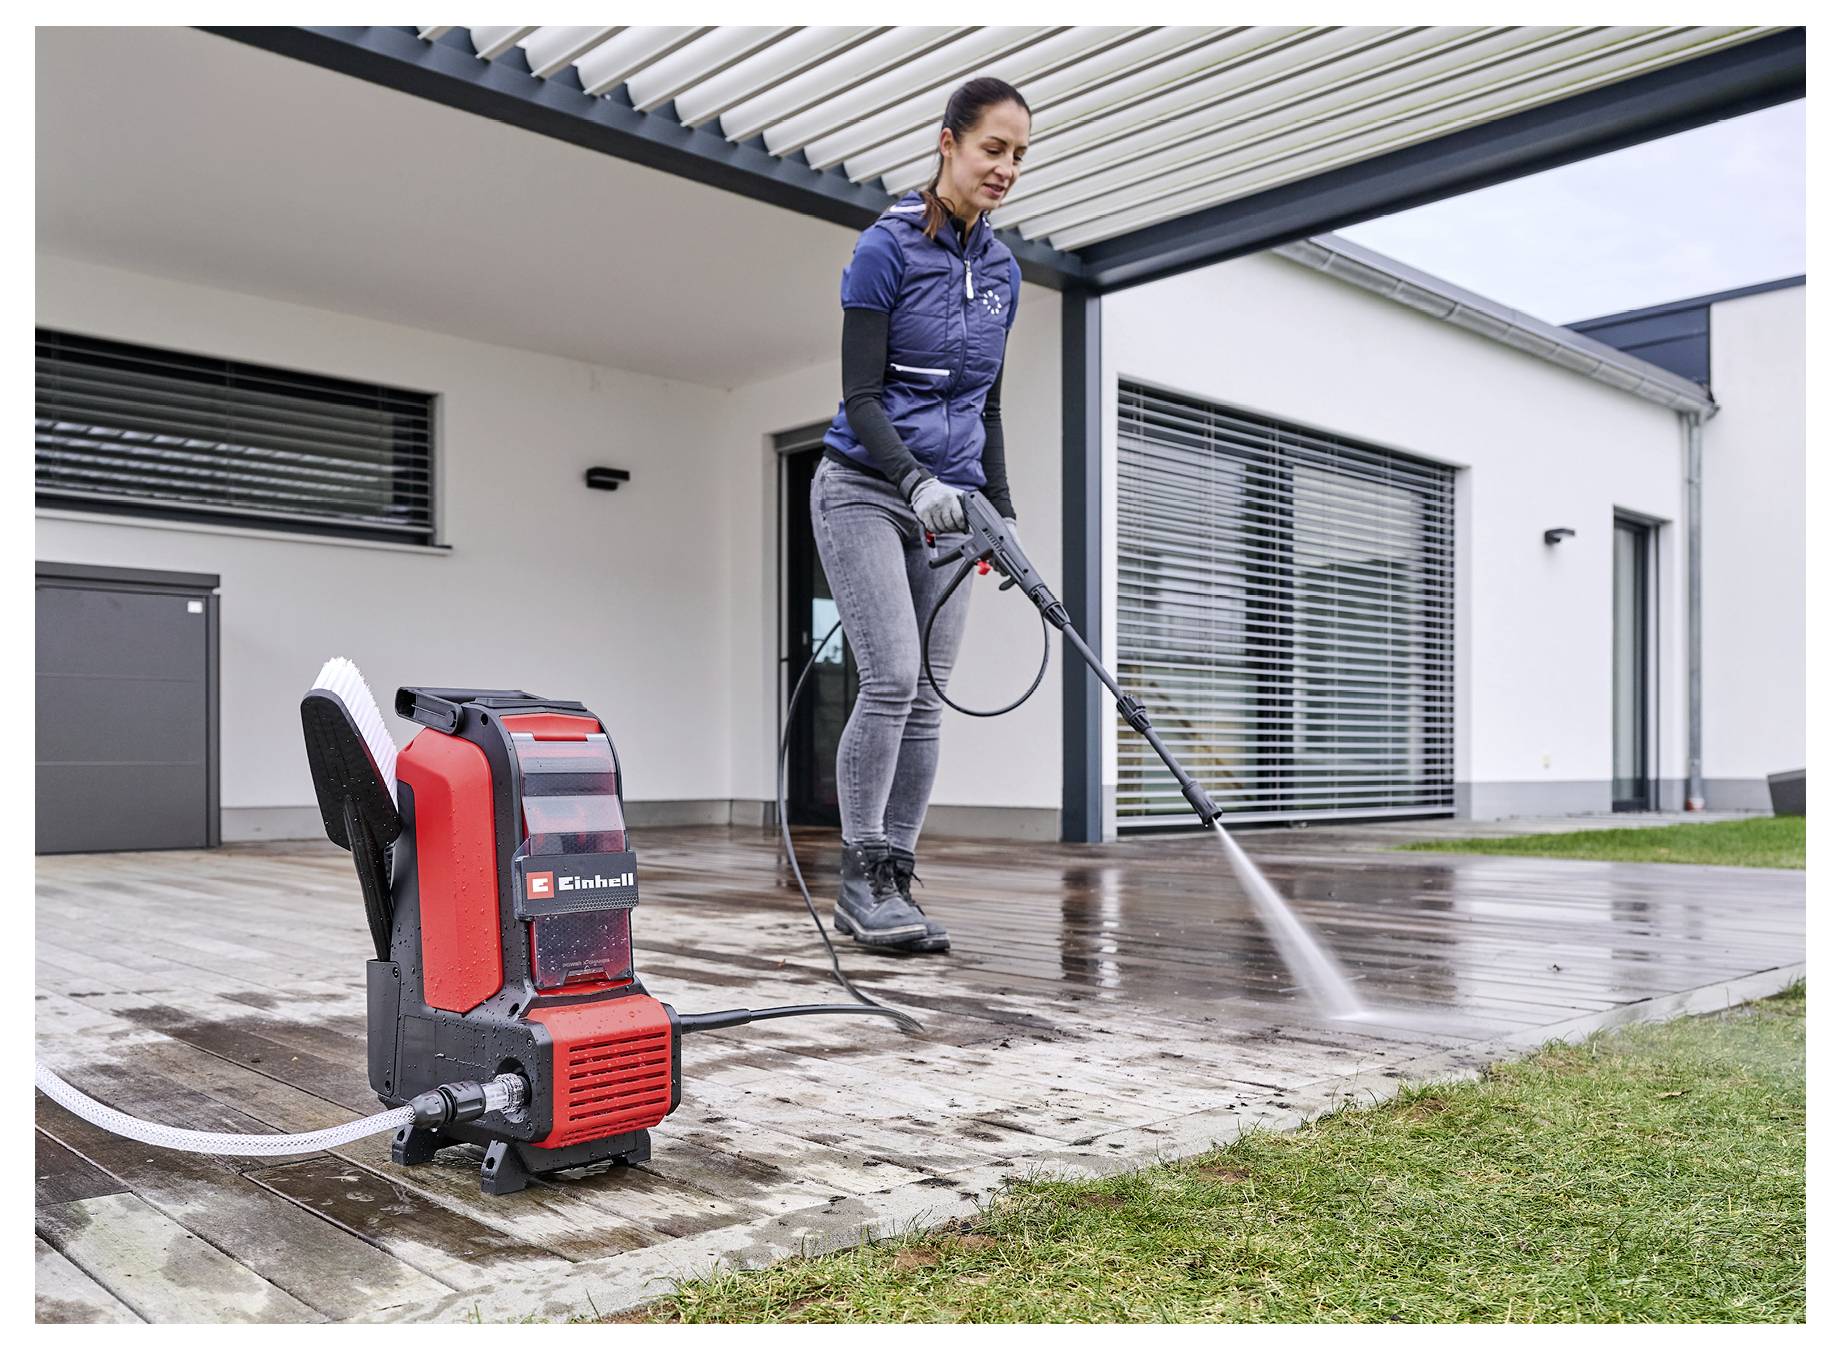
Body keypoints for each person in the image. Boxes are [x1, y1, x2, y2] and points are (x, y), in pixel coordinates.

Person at [812, 76, 1030, 955]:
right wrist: (913, 482)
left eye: (1018, 155)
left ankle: (894, 879)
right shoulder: (885, 248)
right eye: (992, 149)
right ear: (947, 142)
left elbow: (988, 408)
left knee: (931, 698)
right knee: (893, 679)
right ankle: (858, 879)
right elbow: (860, 396)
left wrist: (999, 515)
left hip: (953, 505)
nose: (1006, 168)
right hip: (865, 487)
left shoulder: (1004, 270)